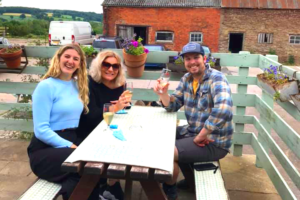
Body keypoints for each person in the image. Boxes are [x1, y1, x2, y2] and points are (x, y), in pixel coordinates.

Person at [153, 42, 233, 200]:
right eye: (188, 59)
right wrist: (163, 94)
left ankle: (169, 187)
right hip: (192, 132)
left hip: (214, 141)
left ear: (204, 58)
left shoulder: (217, 78)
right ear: (184, 62)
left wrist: (202, 134)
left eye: (196, 57)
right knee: (158, 137)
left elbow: (223, 109)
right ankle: (190, 182)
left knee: (166, 153)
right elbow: (173, 105)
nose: (192, 62)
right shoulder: (187, 79)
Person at [27, 44, 100, 200]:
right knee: (85, 166)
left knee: (98, 161)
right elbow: (41, 130)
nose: (70, 61)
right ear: (58, 58)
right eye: (67, 56)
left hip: (71, 140)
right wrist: (70, 146)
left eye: (75, 58)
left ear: (80, 64)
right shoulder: (46, 86)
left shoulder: (78, 85)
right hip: (45, 149)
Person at [77, 50, 131, 200]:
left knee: (128, 142)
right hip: (89, 133)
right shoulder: (89, 83)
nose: (111, 69)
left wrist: (125, 104)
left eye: (115, 66)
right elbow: (90, 115)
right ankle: (104, 185)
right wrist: (114, 108)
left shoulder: (120, 83)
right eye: (106, 65)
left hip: (109, 129)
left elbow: (122, 107)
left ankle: (111, 182)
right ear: (98, 65)